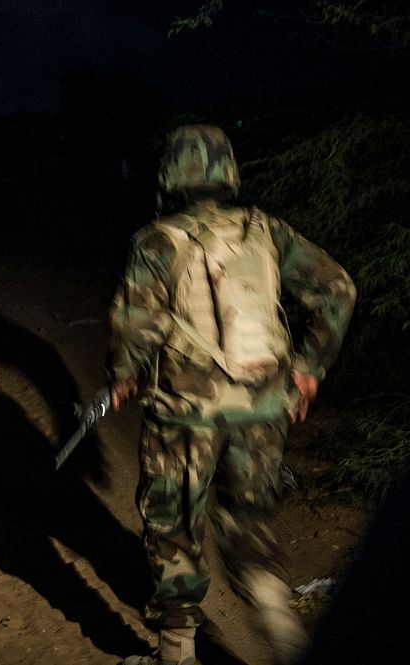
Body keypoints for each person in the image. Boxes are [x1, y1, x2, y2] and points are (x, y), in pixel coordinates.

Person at [108, 125, 356, 665]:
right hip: (263, 408)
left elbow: (135, 326)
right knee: (250, 518)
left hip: (184, 416)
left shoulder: (156, 239)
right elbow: (338, 288)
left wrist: (122, 376)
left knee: (173, 524)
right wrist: (309, 367)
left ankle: (176, 653)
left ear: (172, 172)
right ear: (228, 170)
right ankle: (280, 625)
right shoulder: (266, 230)